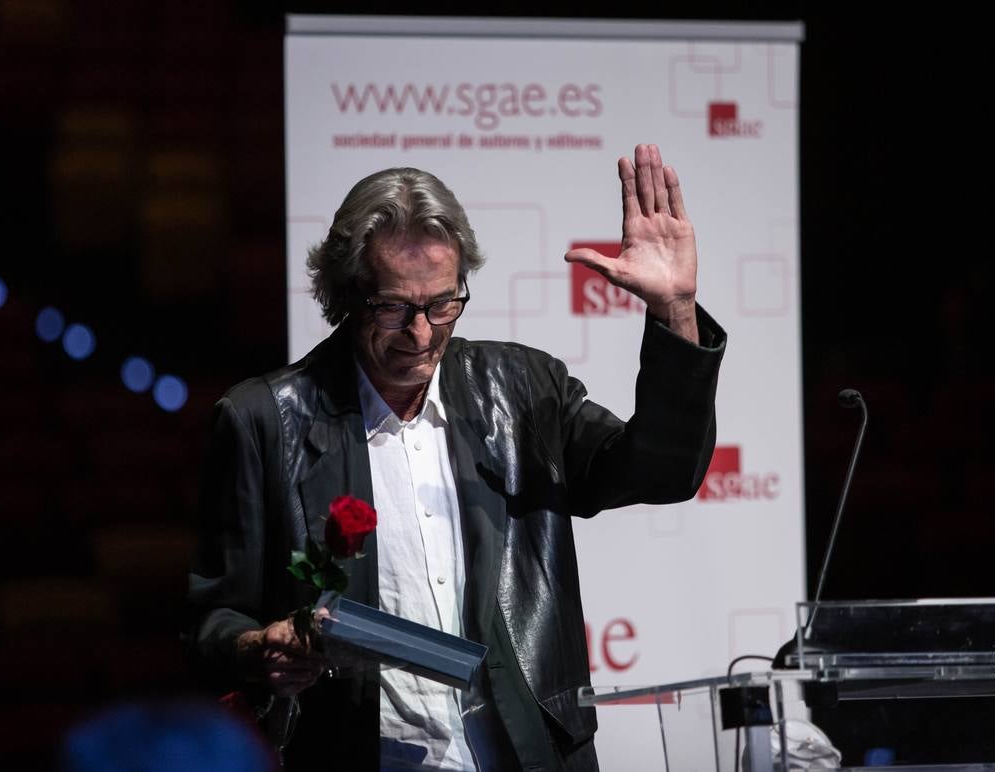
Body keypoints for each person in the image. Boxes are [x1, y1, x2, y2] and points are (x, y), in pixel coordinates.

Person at [186, 144, 725, 771]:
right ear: (346, 294)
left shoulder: (523, 389)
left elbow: (663, 471)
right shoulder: (264, 420)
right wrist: (260, 647)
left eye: (443, 304)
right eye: (392, 307)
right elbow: (210, 622)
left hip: (525, 754)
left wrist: (674, 310)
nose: (421, 334)